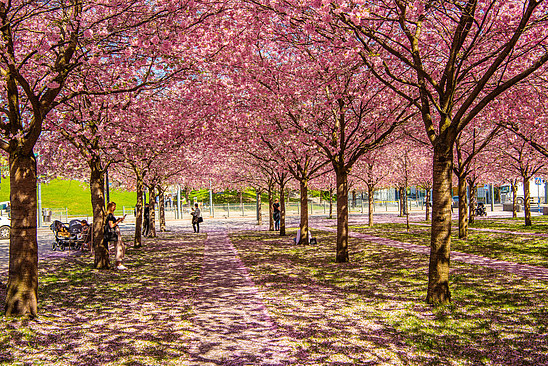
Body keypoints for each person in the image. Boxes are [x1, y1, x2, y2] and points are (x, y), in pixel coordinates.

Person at [105, 202, 127, 270]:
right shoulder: (110, 215)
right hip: (115, 232)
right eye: (113, 206)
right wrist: (118, 221)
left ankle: (119, 261)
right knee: (119, 247)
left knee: (121, 246)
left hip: (116, 232)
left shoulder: (110, 215)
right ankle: (118, 263)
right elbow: (111, 225)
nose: (114, 208)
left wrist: (117, 220)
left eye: (115, 206)